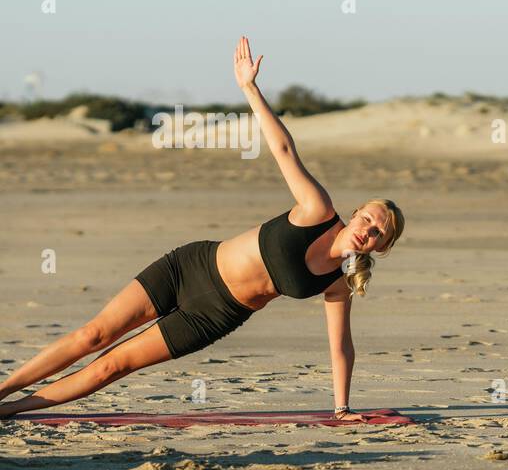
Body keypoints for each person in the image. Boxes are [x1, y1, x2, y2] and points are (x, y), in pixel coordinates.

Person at [0, 37, 405, 421]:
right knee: (94, 335)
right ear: (354, 214)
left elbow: (340, 347)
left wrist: (342, 409)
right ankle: (2, 390)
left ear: (380, 248)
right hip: (189, 267)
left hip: (213, 316)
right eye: (366, 219)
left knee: (112, 365)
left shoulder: (339, 280)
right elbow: (283, 149)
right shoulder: (317, 210)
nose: (367, 231)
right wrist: (250, 88)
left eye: (377, 234)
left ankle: (8, 411)